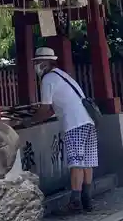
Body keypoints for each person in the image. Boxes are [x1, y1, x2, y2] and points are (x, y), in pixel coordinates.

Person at [23, 47, 97, 213]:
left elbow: (45, 108)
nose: (36, 66)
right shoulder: (62, 75)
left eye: (37, 62)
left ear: (45, 63)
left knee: (76, 163)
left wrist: (29, 121)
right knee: (87, 163)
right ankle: (87, 200)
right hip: (88, 121)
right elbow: (51, 110)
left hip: (74, 123)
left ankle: (75, 202)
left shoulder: (48, 79)